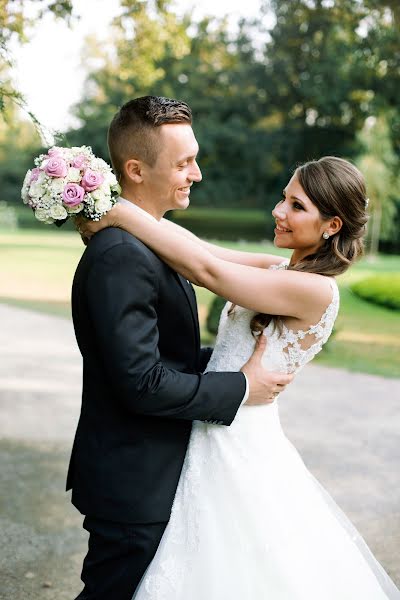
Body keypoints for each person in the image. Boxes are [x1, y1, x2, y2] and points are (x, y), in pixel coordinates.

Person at [81, 155, 400, 599]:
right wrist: (107, 203)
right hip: (211, 415)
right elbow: (197, 246)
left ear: (332, 225)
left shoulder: (315, 289)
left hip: (237, 435)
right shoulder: (279, 269)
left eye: (296, 206)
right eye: (283, 198)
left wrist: (116, 214)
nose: (278, 211)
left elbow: (206, 271)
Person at [67, 96, 293, 600]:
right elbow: (141, 383)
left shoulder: (151, 241)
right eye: (183, 162)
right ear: (135, 169)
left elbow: (165, 352)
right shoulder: (121, 257)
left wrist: (229, 359)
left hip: (156, 471)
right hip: (133, 482)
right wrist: (240, 387)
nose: (197, 173)